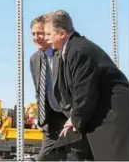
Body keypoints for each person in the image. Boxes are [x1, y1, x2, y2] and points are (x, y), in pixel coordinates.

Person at [44, 10, 129, 161]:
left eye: (48, 34)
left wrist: (74, 118)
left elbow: (84, 89)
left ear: (61, 33)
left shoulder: (79, 50)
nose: (46, 39)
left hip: (112, 114)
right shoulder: (71, 49)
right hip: (100, 113)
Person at [30, 16, 92, 161]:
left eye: (40, 33)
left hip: (69, 116)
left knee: (75, 157)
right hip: (50, 121)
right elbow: (39, 92)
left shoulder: (63, 53)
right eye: (33, 34)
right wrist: (41, 118)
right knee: (44, 158)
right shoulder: (34, 59)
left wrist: (75, 116)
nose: (37, 37)